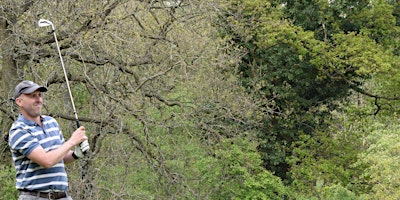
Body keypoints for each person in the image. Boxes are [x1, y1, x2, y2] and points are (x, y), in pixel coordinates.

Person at [8, 80, 90, 200]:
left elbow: (60, 156)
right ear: (19, 102)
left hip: (63, 196)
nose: (38, 100)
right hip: (35, 197)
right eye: (33, 96)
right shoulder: (18, 130)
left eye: (40, 95)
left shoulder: (51, 122)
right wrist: (72, 141)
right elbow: (47, 161)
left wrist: (75, 154)